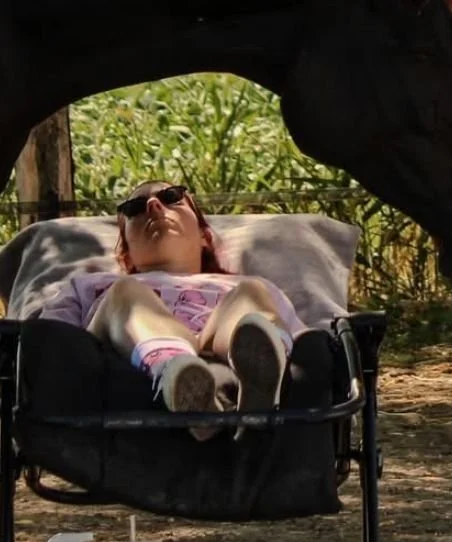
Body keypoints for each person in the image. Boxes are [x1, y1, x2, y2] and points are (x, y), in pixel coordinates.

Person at [39, 181, 303, 436]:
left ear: (204, 236)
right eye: (135, 207)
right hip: (119, 360)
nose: (153, 206)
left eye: (172, 197)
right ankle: (176, 372)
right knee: (125, 293)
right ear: (126, 253)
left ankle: (259, 385)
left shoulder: (248, 287)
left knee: (251, 294)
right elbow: (50, 341)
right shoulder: (94, 286)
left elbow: (308, 343)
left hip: (217, 341)